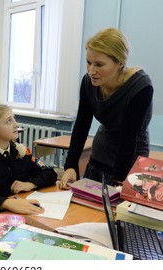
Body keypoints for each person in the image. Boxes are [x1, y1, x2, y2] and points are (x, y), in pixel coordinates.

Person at [59, 28, 153, 189]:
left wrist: (119, 180)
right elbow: (81, 125)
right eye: (88, 62)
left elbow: (129, 137)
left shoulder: (140, 87)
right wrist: (71, 165)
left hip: (131, 156)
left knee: (119, 210)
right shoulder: (89, 82)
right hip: (101, 152)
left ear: (120, 63)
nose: (91, 71)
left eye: (99, 64)